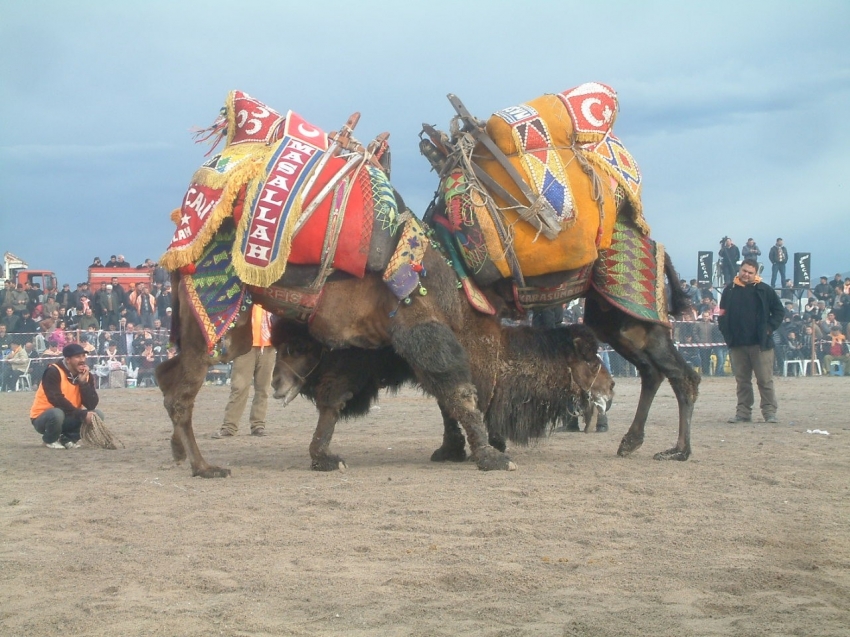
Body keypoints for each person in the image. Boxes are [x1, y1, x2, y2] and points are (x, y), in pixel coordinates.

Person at [718, 258, 785, 423]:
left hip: (760, 344)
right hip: (737, 344)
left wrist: (768, 329)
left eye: (750, 272)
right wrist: (726, 332)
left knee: (764, 380)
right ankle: (743, 413)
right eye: (744, 271)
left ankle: (769, 413)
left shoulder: (764, 290)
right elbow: (722, 313)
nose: (746, 274)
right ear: (740, 270)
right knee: (742, 381)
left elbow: (779, 311)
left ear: (756, 274)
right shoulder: (729, 290)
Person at [212, 305, 275, 438]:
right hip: (244, 347)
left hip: (268, 347)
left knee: (263, 389)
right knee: (239, 388)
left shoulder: (271, 297)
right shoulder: (245, 296)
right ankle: (229, 426)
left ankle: (258, 425)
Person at [29, 343, 103, 449]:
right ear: (68, 360)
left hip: (70, 415)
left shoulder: (86, 375)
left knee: (97, 415)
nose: (82, 360)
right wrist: (81, 414)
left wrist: (83, 383)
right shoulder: (53, 371)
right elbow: (56, 400)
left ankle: (67, 439)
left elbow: (92, 404)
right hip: (44, 417)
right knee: (57, 413)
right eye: (78, 357)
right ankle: (50, 440)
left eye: (83, 356)